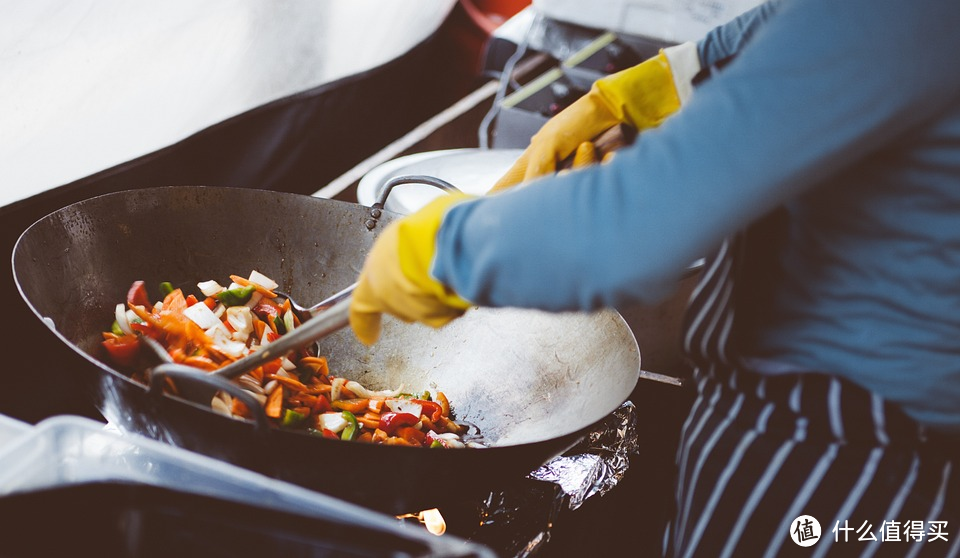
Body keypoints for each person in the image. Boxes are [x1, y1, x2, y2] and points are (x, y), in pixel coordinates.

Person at [348, 0, 960, 555]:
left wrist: (445, 247)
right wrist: (669, 80)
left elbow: (637, 226)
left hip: (837, 456)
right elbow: (806, 25)